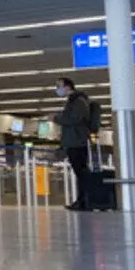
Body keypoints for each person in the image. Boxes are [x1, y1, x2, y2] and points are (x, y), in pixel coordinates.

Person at [54, 76, 93, 211]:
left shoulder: (79, 101)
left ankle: (85, 201)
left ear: (67, 87)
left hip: (77, 142)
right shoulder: (74, 101)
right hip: (74, 141)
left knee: (81, 173)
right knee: (80, 173)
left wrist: (56, 118)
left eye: (59, 86)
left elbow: (73, 119)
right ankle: (82, 200)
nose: (57, 89)